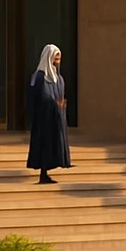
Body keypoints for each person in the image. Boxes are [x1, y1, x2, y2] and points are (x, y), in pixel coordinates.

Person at [25, 44, 71, 185]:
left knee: (54, 144)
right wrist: (52, 103)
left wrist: (61, 105)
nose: (58, 60)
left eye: (59, 57)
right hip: (43, 119)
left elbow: (60, 94)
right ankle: (43, 173)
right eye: (56, 57)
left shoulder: (58, 77)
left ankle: (47, 171)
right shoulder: (39, 77)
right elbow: (38, 97)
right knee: (44, 145)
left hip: (56, 118)